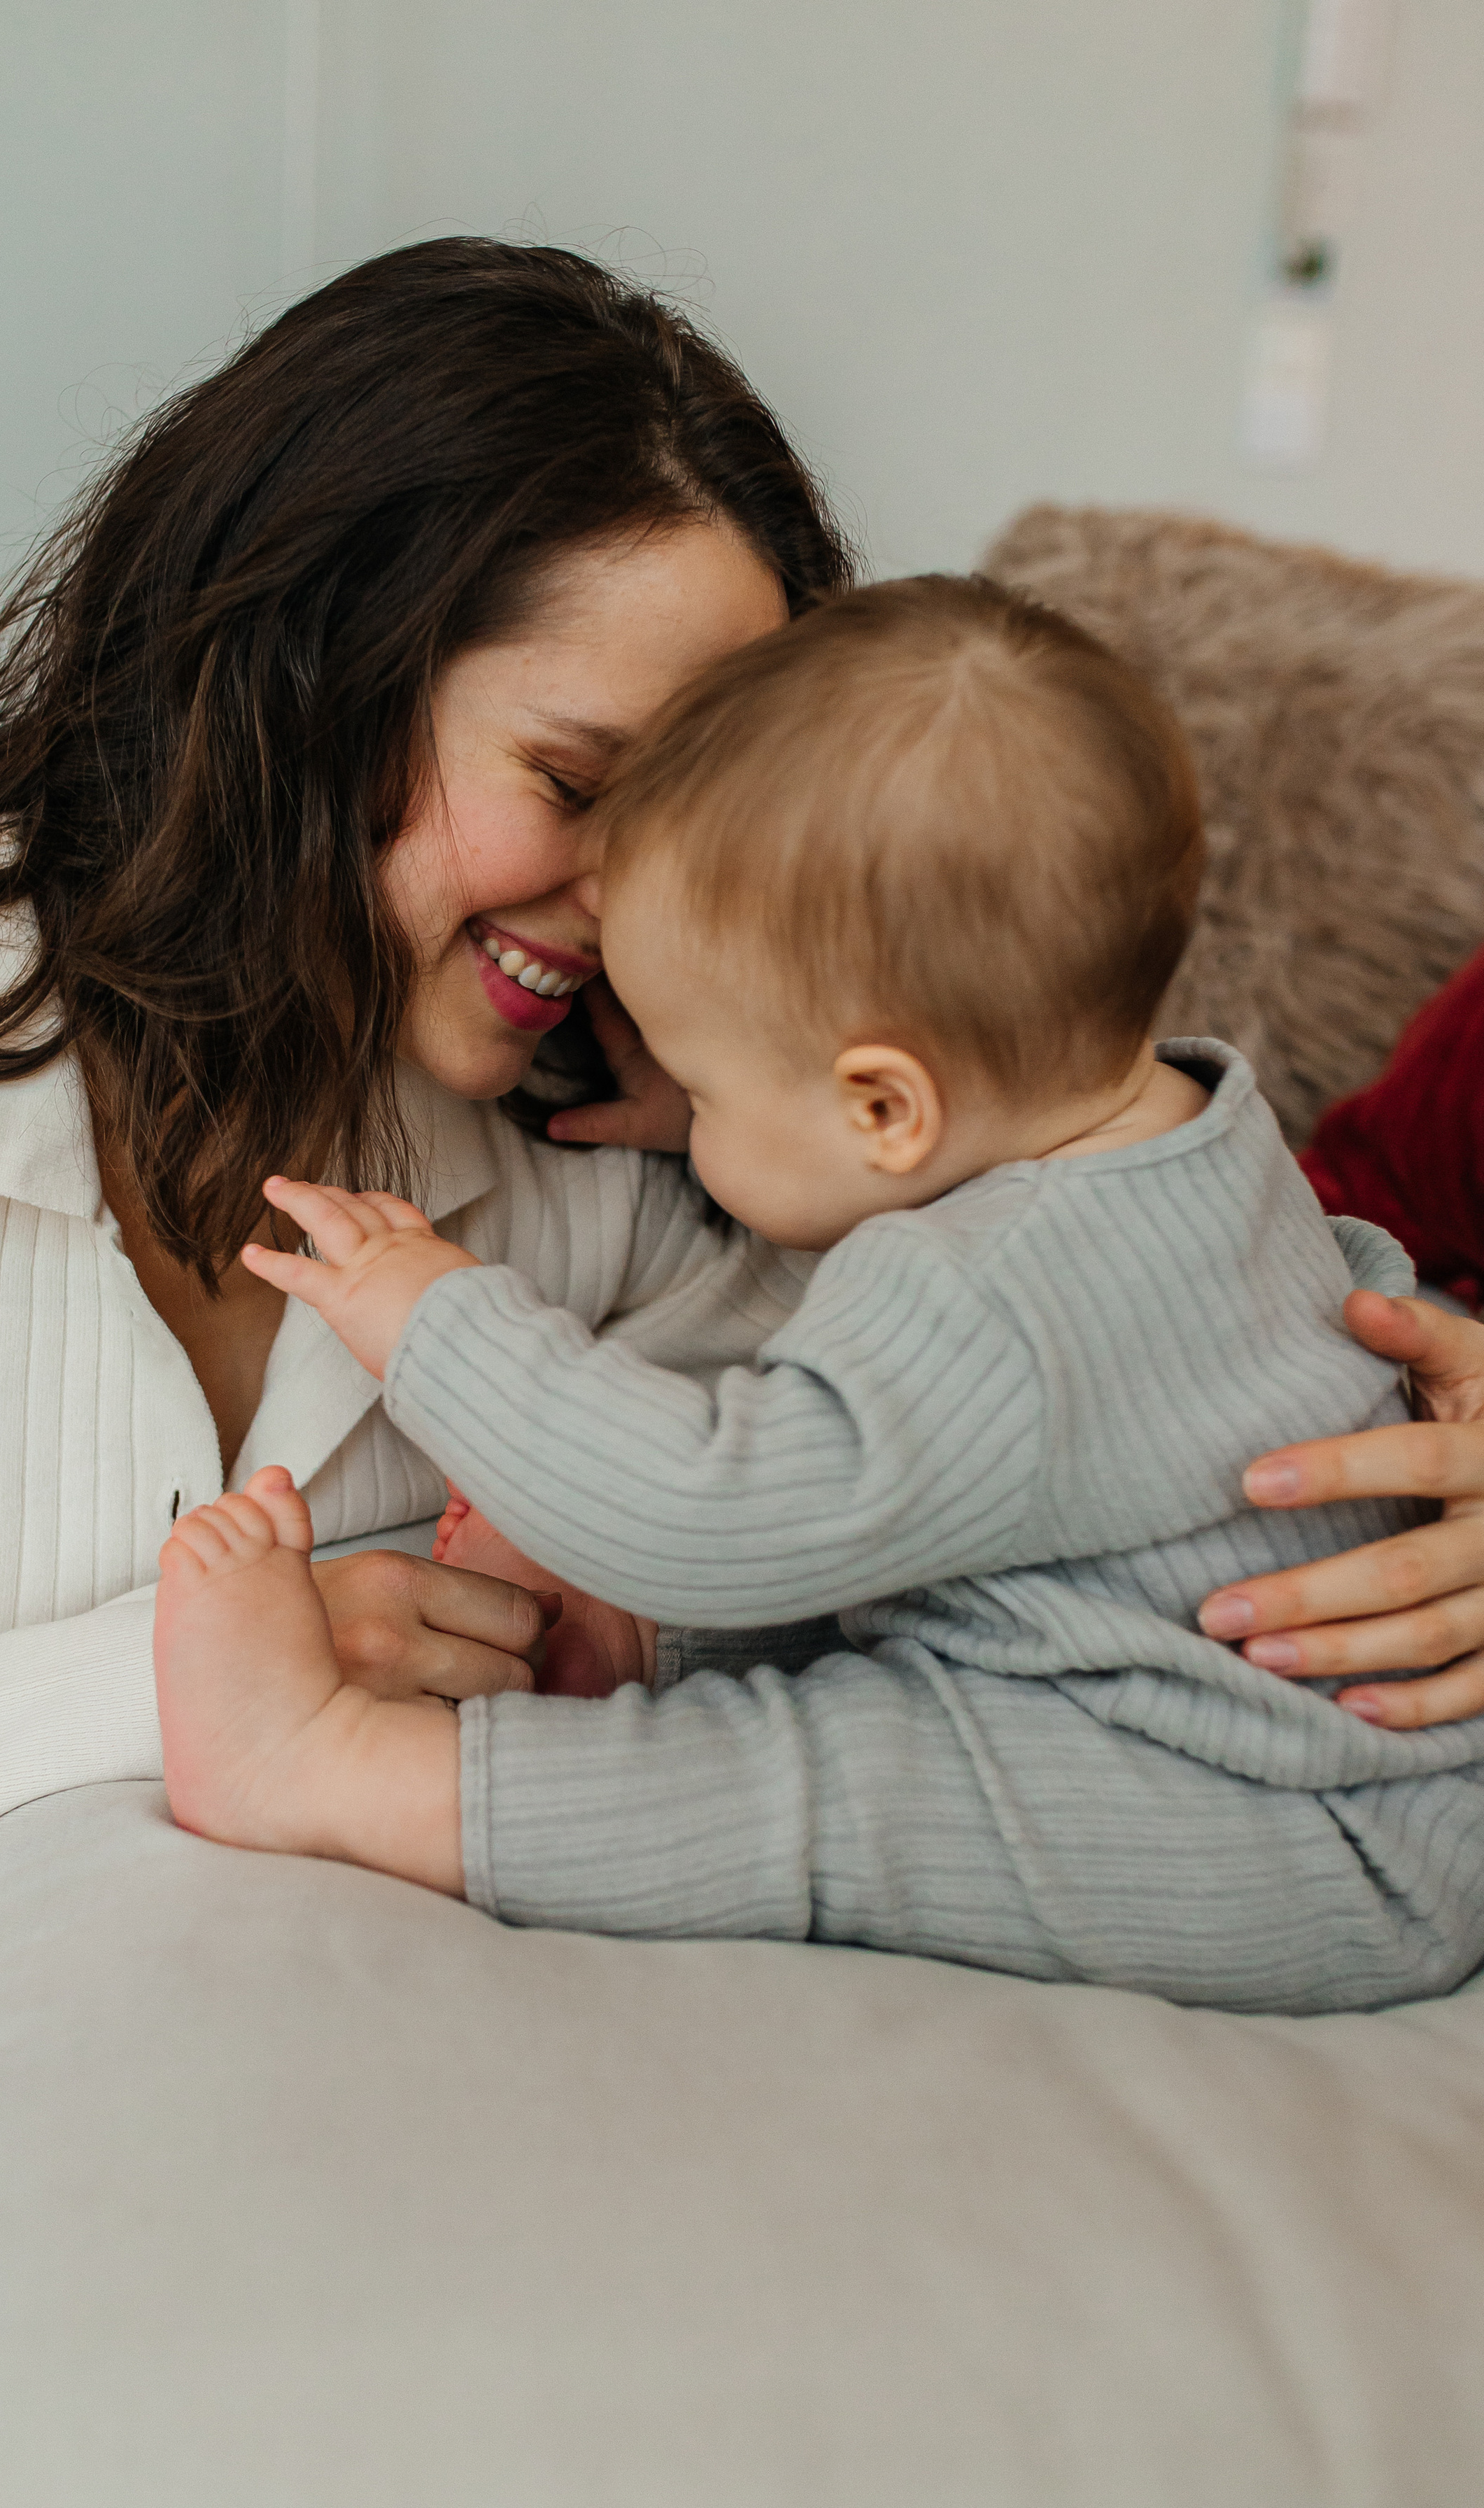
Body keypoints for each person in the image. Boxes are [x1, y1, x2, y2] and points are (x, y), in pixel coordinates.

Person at [0, 239, 1479, 2233]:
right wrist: (196, 1679)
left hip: (318, 2220)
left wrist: (1408, 1435)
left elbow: (1049, 1458)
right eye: (570, 782)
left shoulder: (660, 1139)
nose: (628, 910)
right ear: (306, 681)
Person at [152, 577, 1484, 2017]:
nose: (686, 1113)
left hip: (1294, 1823)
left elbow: (703, 1511)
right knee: (897, 1599)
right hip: (1216, 1703)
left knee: (842, 1783)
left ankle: (337, 1771)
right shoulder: (1199, 1145)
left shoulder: (986, 1302)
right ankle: (628, 1653)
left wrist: (436, 1317)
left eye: (707, 1084)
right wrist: (761, 1117)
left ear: (884, 1110)